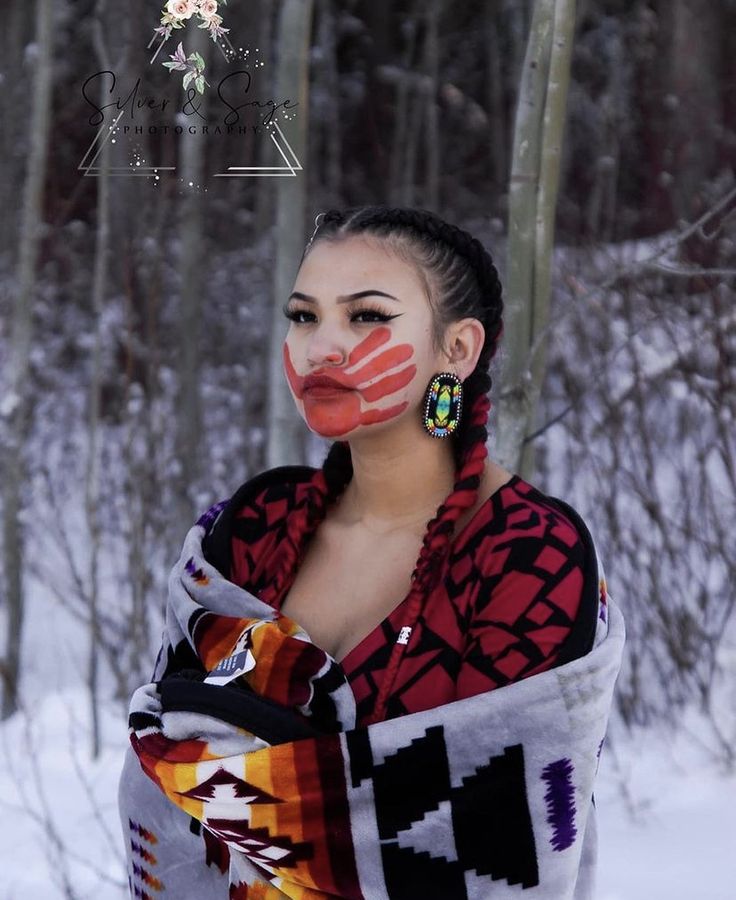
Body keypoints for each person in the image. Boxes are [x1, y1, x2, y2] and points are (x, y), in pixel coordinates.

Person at [119, 205, 625, 900]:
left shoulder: (528, 552)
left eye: (366, 317)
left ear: (458, 349)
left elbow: (503, 834)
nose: (321, 346)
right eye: (303, 316)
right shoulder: (251, 530)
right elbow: (163, 767)